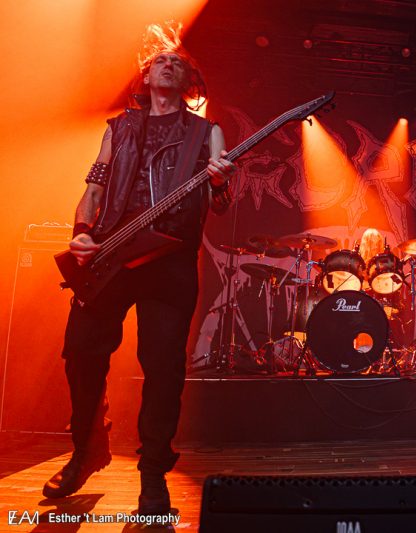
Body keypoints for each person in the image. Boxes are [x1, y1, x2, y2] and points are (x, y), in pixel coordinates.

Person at [43, 23, 236, 515]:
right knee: (80, 352)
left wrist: (219, 183)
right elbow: (94, 187)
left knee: (163, 367)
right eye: (160, 61)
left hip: (169, 261)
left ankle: (153, 473)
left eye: (177, 63)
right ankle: (87, 450)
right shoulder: (120, 127)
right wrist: (82, 231)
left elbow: (221, 203)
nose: (167, 65)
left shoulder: (206, 133)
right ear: (146, 77)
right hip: (111, 254)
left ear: (189, 81)